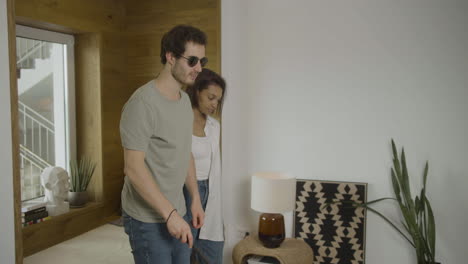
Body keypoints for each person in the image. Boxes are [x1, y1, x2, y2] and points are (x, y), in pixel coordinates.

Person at [119, 25, 208, 264]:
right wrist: (169, 215)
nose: (199, 68)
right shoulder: (142, 104)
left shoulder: (183, 102)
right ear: (170, 57)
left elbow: (184, 152)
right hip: (147, 218)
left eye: (202, 60)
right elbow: (133, 168)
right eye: (192, 60)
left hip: (178, 211)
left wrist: (195, 200)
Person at [184, 68, 226, 263]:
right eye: (211, 97)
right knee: (183, 252)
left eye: (218, 100)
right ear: (196, 91)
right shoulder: (178, 122)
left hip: (209, 193)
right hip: (185, 193)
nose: (214, 104)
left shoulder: (214, 127)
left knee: (212, 253)